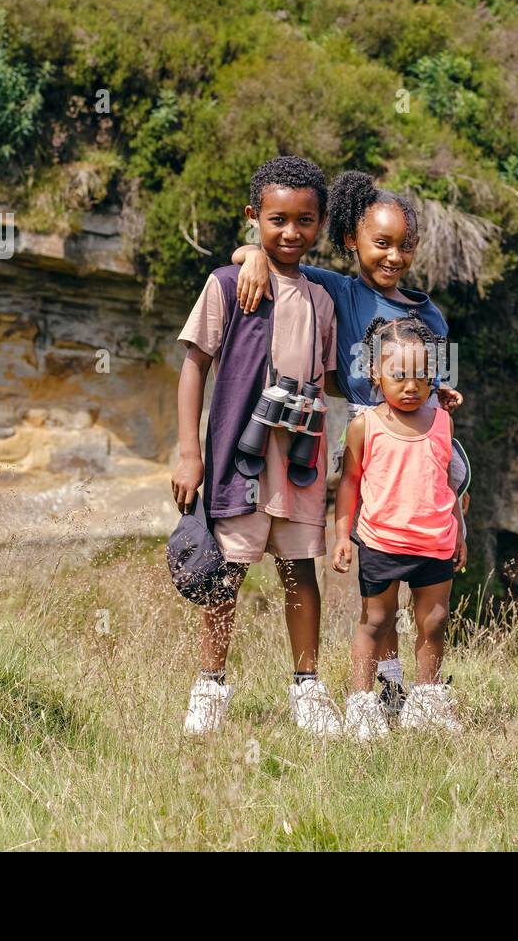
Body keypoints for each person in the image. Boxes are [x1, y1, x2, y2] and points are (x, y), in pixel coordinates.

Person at [230, 171, 469, 718]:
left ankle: (421, 692)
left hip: (426, 439)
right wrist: (252, 255)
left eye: (404, 245)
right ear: (351, 243)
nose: (393, 256)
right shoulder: (342, 290)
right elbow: (277, 255)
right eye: (381, 243)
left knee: (441, 537)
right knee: (380, 580)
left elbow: (443, 376)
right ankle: (385, 688)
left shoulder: (429, 313)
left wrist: (445, 391)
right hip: (374, 440)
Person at [172, 156, 341, 736]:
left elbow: (334, 375)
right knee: (225, 572)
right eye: (277, 221)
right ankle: (210, 687)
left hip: (299, 462)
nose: (291, 233)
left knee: (301, 570)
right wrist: (188, 451)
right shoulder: (228, 282)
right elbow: (194, 365)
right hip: (237, 460)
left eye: (305, 221)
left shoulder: (322, 298)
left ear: (320, 224)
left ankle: (308, 690)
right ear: (253, 218)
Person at [331, 315, 466, 740]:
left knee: (435, 620)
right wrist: (341, 535)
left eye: (423, 377)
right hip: (382, 541)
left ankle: (426, 701)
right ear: (375, 373)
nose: (411, 386)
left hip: (436, 540)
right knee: (377, 620)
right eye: (399, 376)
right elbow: (349, 482)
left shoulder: (442, 420)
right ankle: (363, 705)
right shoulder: (364, 425)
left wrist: (461, 529)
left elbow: (447, 479)